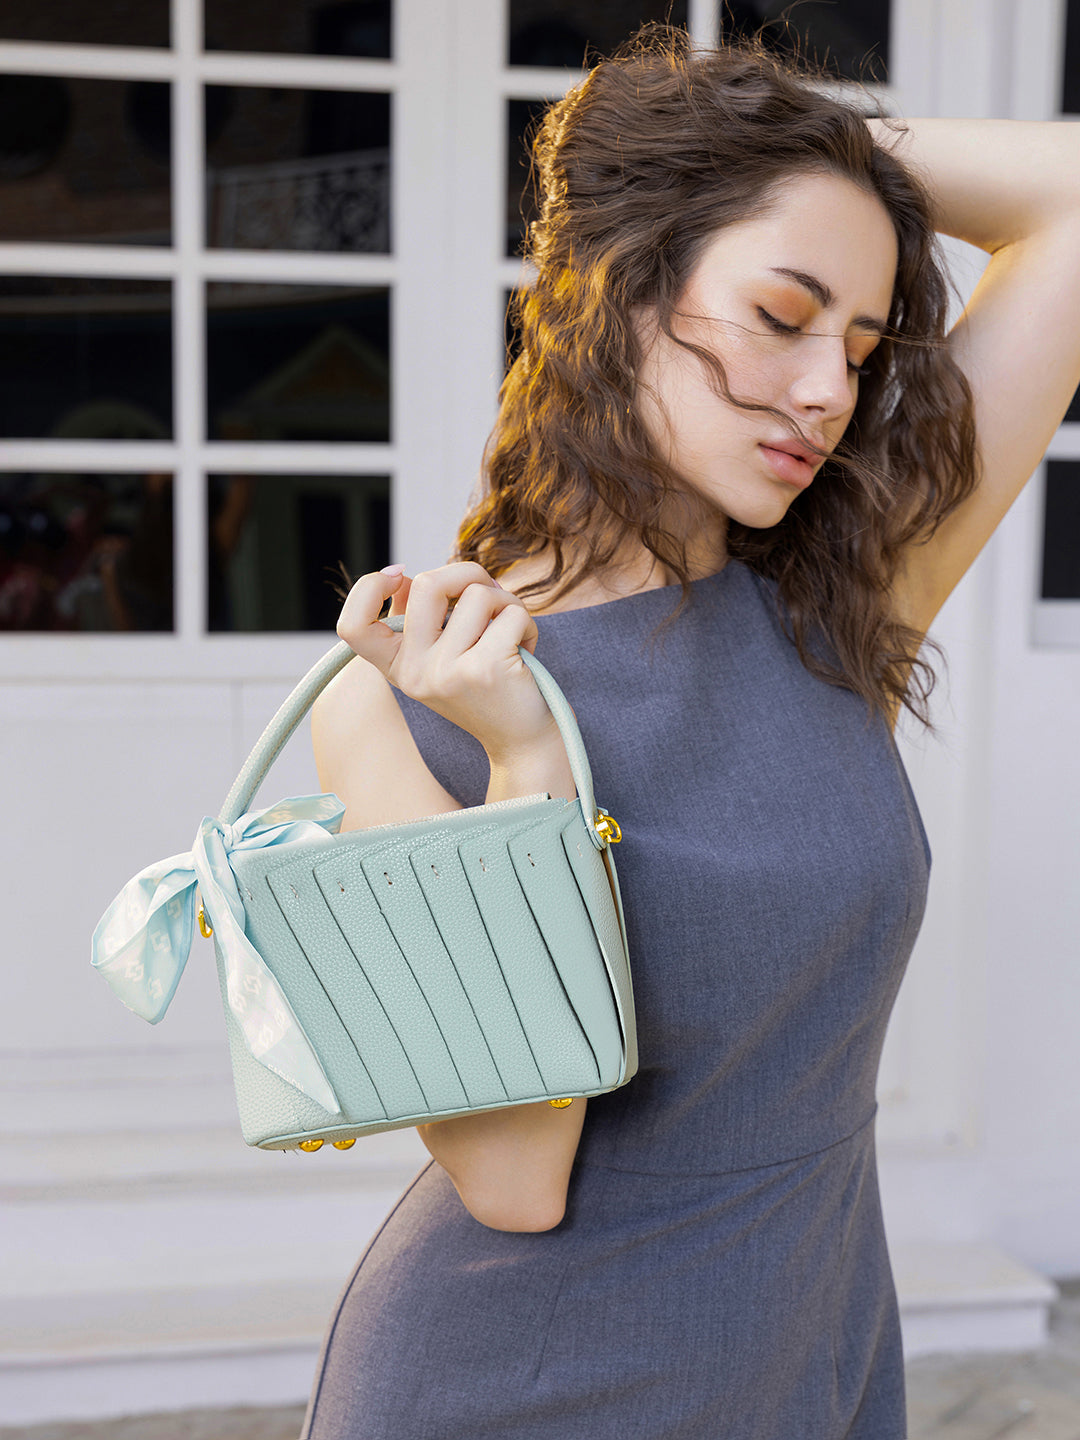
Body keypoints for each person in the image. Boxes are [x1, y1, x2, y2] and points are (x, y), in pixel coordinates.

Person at [300, 27, 1080, 1440]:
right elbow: (514, 1176)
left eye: (857, 343)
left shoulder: (841, 600)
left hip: (811, 1349)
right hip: (516, 1386)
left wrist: (781, 143)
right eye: (781, 316)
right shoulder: (406, 692)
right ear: (620, 285)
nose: (831, 391)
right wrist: (528, 760)